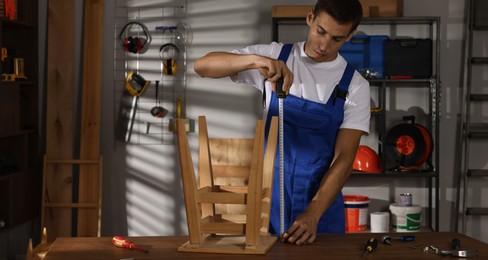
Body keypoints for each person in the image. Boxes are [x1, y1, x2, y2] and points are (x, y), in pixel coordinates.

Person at [194, 0, 369, 245]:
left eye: (337, 39)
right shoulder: (277, 55)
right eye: (321, 31)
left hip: (320, 199)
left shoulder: (355, 85)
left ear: (350, 36)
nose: (324, 45)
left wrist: (314, 213)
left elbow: (345, 158)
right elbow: (202, 66)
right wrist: (256, 61)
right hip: (269, 197)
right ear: (310, 18)